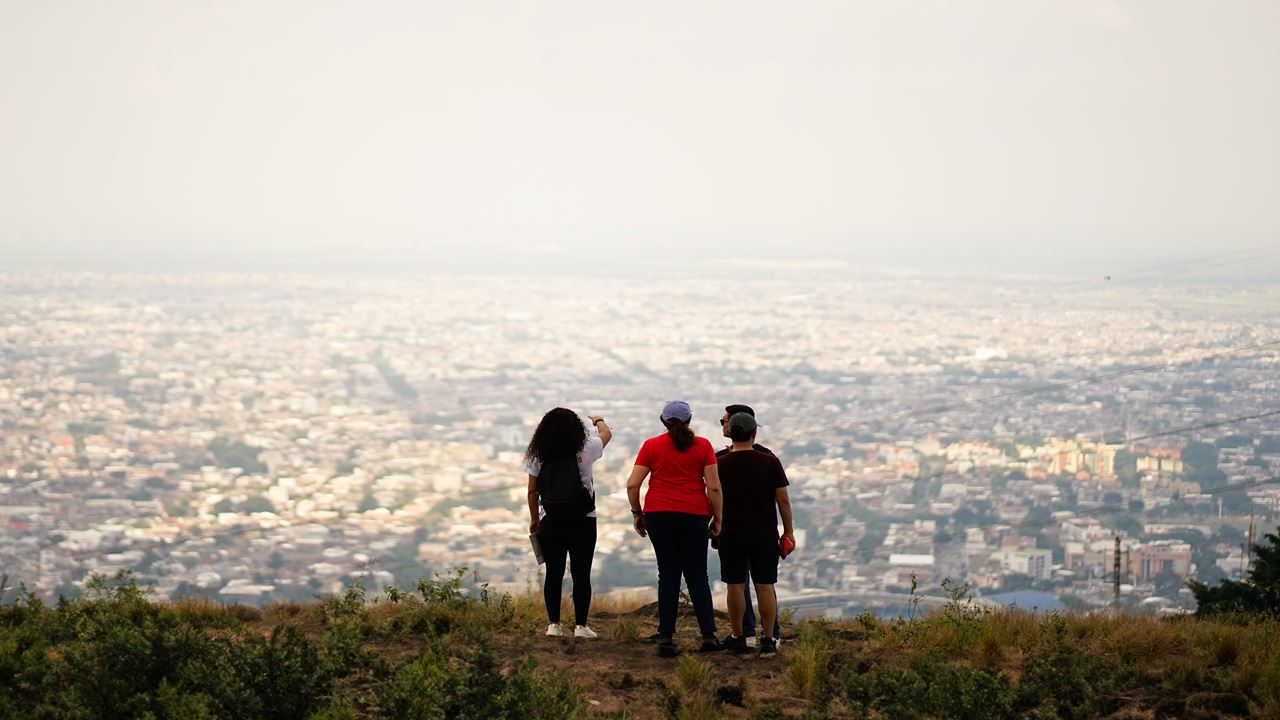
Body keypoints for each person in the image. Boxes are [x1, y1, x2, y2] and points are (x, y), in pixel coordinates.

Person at [627, 400, 723, 656]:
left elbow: (633, 484)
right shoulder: (703, 445)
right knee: (697, 576)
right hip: (694, 514)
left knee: (668, 574)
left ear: (663, 421)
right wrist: (718, 518)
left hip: (658, 513)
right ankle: (708, 635)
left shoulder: (651, 446)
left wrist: (637, 513)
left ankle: (666, 636)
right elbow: (713, 487)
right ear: (690, 420)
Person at [525, 408, 611, 638]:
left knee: (554, 573)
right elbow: (606, 434)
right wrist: (598, 421)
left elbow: (532, 491)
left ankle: (554, 625)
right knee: (581, 574)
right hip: (583, 520)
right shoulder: (586, 448)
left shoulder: (538, 454)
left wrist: (535, 519)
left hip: (550, 520)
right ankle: (581, 626)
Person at [716, 411, 794, 656]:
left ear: (731, 433)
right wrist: (788, 532)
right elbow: (783, 501)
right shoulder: (770, 462)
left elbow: (713, 496)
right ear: (754, 434)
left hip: (730, 532)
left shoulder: (720, 463)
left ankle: (738, 635)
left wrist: (714, 523)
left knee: (735, 586)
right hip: (764, 533)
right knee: (765, 586)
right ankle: (769, 638)